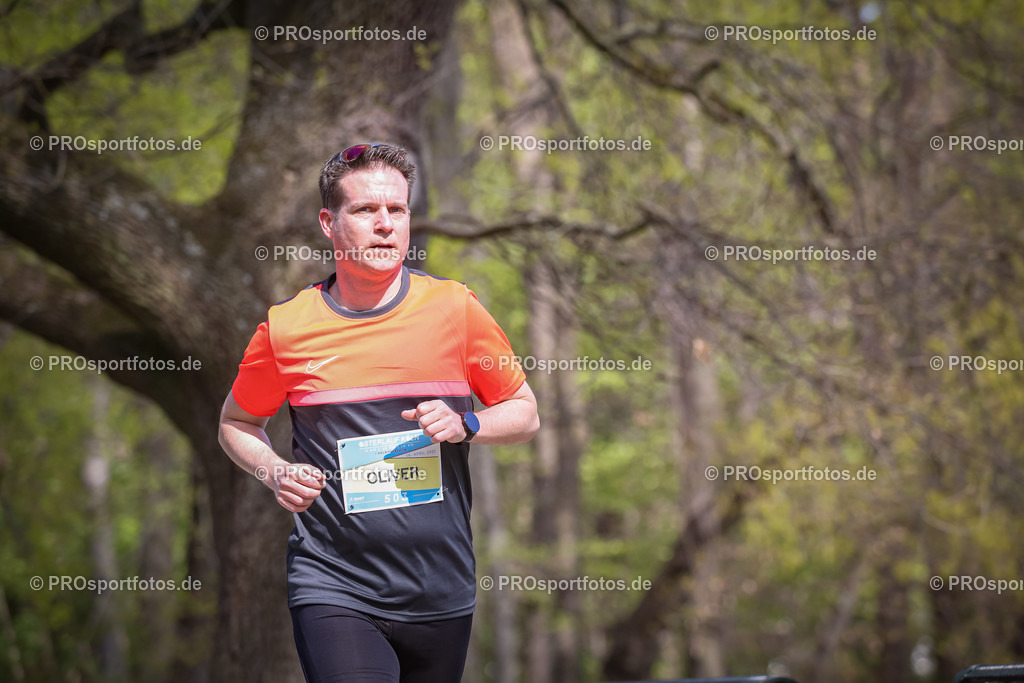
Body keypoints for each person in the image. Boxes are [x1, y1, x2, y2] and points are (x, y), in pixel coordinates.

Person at [217, 142, 539, 683]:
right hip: (333, 583)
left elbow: (525, 413)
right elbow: (236, 422)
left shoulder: (455, 310)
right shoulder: (288, 328)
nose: (385, 224)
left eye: (398, 209)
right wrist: (274, 471)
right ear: (329, 221)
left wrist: (468, 425)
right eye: (366, 210)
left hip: (441, 588)